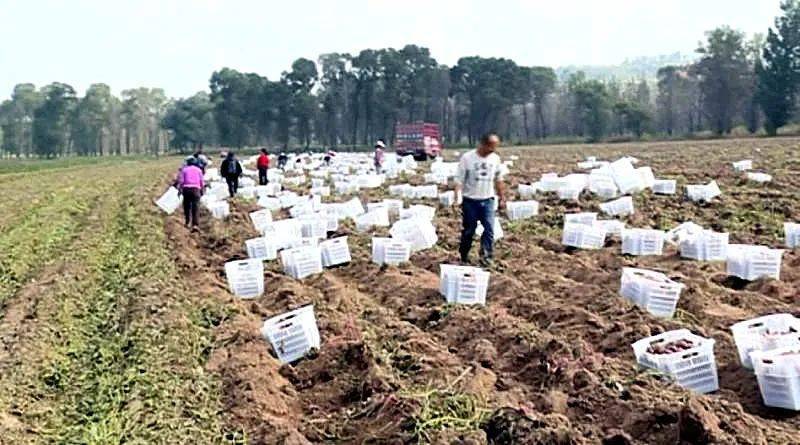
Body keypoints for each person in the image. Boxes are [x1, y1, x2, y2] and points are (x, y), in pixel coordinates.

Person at [454, 132, 508, 267]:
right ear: (483, 144)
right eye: (491, 147)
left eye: (495, 147)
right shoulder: (467, 158)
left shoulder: (495, 159)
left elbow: (499, 180)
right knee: (469, 230)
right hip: (470, 200)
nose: (493, 150)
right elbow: (459, 180)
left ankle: (486, 258)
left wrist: (502, 198)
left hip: (488, 199)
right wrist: (457, 198)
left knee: (489, 229)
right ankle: (464, 255)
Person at [177, 157, 205, 231]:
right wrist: (202, 190)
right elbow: (202, 181)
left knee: (187, 206)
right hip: (196, 189)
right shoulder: (199, 170)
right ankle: (195, 224)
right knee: (196, 207)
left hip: (186, 190)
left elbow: (181, 181)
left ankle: (187, 221)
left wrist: (179, 190)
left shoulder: (184, 170)